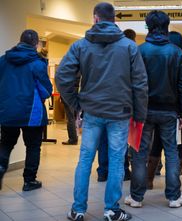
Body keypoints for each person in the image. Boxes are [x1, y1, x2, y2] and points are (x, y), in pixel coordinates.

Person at [55, 2, 148, 221]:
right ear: (115, 20)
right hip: (120, 112)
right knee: (116, 159)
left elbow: (63, 77)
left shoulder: (80, 46)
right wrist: (140, 115)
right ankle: (112, 210)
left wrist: (77, 104)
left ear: (95, 18)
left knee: (85, 158)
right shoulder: (129, 47)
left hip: (92, 111)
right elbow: (141, 84)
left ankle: (78, 210)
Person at [125, 10, 182, 209]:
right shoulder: (176, 52)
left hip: (143, 111)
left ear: (148, 26)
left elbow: (132, 82)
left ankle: (136, 197)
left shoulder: (140, 50)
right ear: (167, 26)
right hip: (169, 111)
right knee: (171, 152)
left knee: (139, 154)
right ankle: (173, 197)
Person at [0, 29, 53, 191]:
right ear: (36, 43)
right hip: (32, 114)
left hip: (7, 111)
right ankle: (29, 181)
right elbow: (45, 90)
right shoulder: (37, 63)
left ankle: (0, 167)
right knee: (33, 146)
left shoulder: (3, 60)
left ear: (19, 40)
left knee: (6, 143)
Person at [146, 31, 182, 189]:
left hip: (156, 107)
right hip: (178, 110)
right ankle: (174, 183)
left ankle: (149, 179)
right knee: (177, 145)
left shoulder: (155, 59)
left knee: (156, 143)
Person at [96, 28, 137, 182]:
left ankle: (102, 171)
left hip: (100, 104)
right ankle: (123, 170)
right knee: (120, 140)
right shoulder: (130, 54)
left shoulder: (103, 53)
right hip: (121, 104)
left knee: (103, 140)